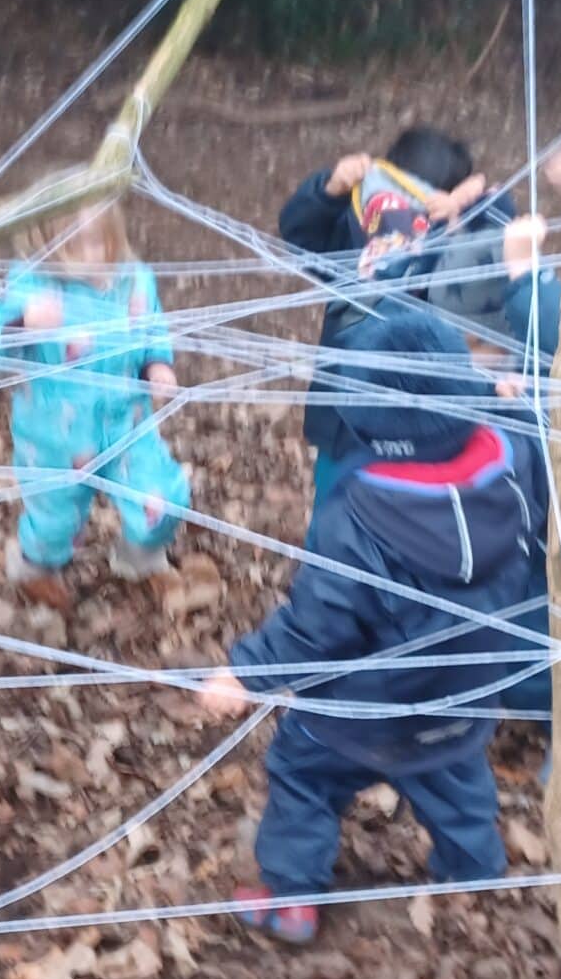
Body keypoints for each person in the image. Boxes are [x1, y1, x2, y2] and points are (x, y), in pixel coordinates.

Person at [201, 302, 542, 944]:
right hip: (463, 698)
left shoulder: (358, 515)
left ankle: (292, 896)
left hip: (360, 714)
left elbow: (318, 624)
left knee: (302, 773)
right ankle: (475, 874)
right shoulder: (514, 463)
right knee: (457, 781)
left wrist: (247, 672)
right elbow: (527, 443)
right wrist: (510, 406)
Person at [279, 126, 516, 514]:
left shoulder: (458, 251)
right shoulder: (360, 240)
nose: (404, 218)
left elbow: (507, 242)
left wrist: (470, 207)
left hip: (426, 436)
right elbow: (301, 237)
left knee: (402, 522)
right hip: (343, 426)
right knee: (335, 517)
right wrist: (328, 190)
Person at [0, 189, 189, 608]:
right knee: (54, 519)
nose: (90, 255)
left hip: (127, 424)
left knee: (161, 498)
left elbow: (152, 328)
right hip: (55, 436)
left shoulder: (133, 280)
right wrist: (24, 324)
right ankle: (35, 568)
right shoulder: (34, 287)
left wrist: (158, 364)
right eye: (74, 245)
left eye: (98, 241)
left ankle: (139, 558)